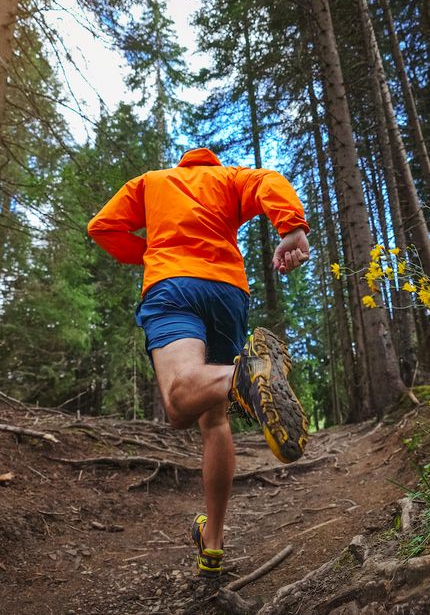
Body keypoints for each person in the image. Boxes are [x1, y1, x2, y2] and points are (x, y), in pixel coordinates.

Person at [87, 147, 312, 578]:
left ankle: (244, 374)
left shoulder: (152, 182)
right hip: (227, 292)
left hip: (172, 286)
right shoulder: (230, 178)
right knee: (214, 419)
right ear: (210, 163)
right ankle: (212, 542)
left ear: (183, 163)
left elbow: (103, 226)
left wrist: (149, 250)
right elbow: (269, 180)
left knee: (178, 401)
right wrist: (291, 228)